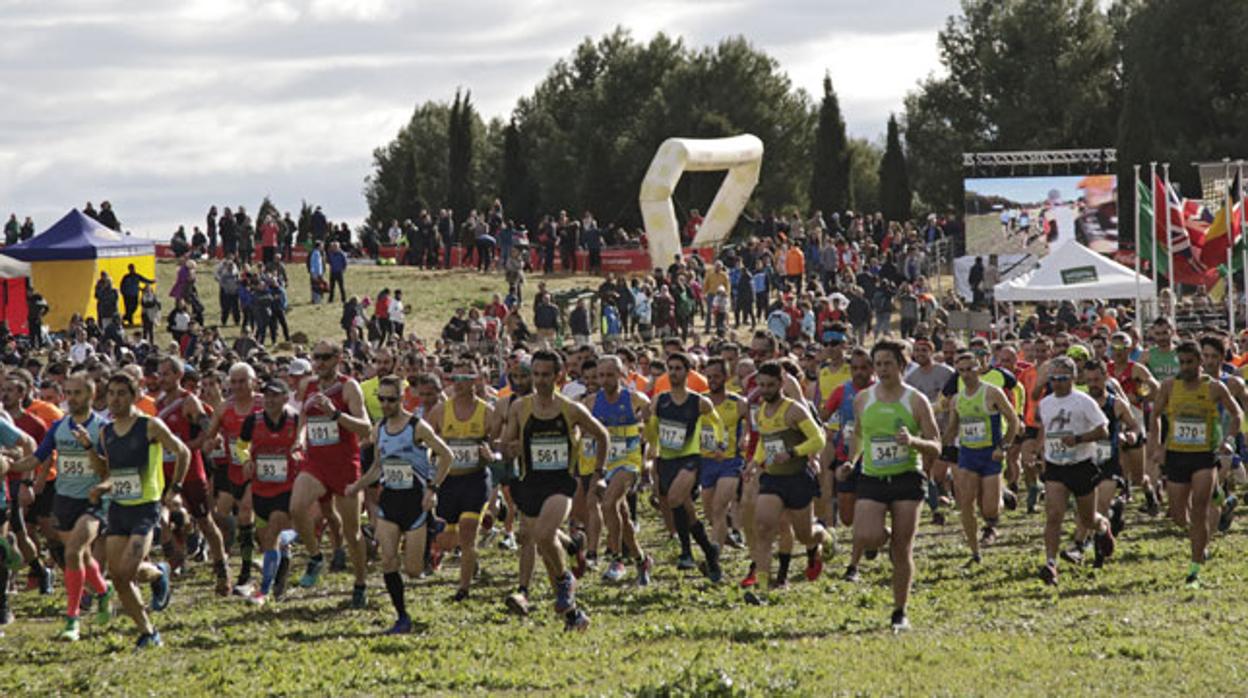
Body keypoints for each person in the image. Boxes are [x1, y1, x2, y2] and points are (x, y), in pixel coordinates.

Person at [499, 350, 608, 630]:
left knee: (543, 535)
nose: (539, 380)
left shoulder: (570, 408)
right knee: (548, 552)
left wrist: (599, 474)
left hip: (561, 482)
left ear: (558, 376)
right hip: (530, 482)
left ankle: (565, 581)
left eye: (546, 375)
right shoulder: (520, 407)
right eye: (535, 374)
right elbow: (507, 443)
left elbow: (602, 435)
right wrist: (508, 449)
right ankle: (574, 616)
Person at [87, 371, 189, 649]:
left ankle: (158, 572)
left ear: (133, 396)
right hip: (119, 508)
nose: (115, 399)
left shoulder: (149, 426)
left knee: (128, 570)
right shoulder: (106, 432)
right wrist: (89, 452)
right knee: (119, 577)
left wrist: (175, 488)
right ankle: (148, 631)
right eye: (111, 393)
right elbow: (106, 471)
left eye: (122, 393)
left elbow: (182, 452)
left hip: (146, 507)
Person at [346, 375, 453, 633]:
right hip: (390, 501)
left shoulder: (417, 427)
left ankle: (432, 535)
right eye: (381, 399)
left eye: (391, 399)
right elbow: (377, 468)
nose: (385, 404)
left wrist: (433, 487)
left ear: (402, 399)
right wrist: (356, 486)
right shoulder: (379, 429)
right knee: (388, 560)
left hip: (416, 504)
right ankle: (402, 616)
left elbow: (446, 456)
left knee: (414, 570)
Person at [9, 373, 111, 641]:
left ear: (90, 395)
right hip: (64, 500)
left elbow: (107, 469)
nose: (71, 398)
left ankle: (72, 619)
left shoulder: (103, 427)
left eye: (77, 393)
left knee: (74, 552)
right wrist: (10, 467)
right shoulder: (58, 427)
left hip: (92, 501)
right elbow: (37, 458)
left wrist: (89, 448)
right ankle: (103, 591)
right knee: (82, 557)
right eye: (68, 392)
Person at [849, 340, 941, 632]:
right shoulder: (863, 399)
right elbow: (859, 436)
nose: (882, 369)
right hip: (872, 477)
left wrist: (913, 442)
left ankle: (900, 611)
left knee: (902, 550)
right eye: (878, 364)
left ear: (902, 366)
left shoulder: (915, 400)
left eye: (888, 363)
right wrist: (851, 461)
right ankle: (882, 535)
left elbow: (936, 446)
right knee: (866, 535)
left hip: (906, 478)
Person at [1149, 340, 1241, 588]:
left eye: (1190, 362)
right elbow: (1155, 415)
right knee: (1179, 515)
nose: (1186, 367)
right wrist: (1157, 446)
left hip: (1204, 456)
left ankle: (1194, 568)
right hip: (1177, 455)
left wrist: (1229, 440)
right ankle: (1217, 497)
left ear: (1201, 362)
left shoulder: (1215, 388)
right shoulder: (1169, 387)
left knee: (1199, 510)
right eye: (1182, 362)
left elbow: (1237, 414)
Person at [292, 341, 373, 606]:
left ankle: (360, 583)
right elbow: (305, 420)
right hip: (315, 462)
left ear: (338, 358)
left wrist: (336, 414)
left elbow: (365, 430)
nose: (319, 362)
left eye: (325, 357)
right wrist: (300, 440)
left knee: (353, 533)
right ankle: (315, 557)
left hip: (345, 466)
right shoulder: (308, 386)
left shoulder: (349, 386)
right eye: (316, 357)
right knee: (297, 507)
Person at [743, 361, 829, 605]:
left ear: (782, 384)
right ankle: (762, 588)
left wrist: (792, 453)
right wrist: (754, 463)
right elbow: (764, 442)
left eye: (770, 385)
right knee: (763, 528)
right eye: (761, 385)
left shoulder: (794, 410)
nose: (765, 390)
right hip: (773, 479)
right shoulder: (762, 410)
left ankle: (823, 537)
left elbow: (818, 440)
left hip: (798, 479)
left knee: (805, 535)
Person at [425, 354, 500, 601]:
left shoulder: (487, 412)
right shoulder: (440, 411)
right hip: (447, 481)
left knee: (467, 534)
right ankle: (470, 557)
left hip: (475, 480)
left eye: (464, 377)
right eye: (454, 376)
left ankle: (463, 589)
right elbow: (422, 438)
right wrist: (429, 459)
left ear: (475, 380)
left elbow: (498, 444)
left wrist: (492, 453)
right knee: (447, 540)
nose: (458, 382)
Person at [1035, 356, 1115, 586]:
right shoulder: (1046, 403)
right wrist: (1039, 452)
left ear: (1072, 378)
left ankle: (1103, 527)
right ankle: (1051, 564)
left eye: (1062, 378)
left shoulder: (1083, 401)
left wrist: (1079, 439)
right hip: (1055, 466)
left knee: (1088, 519)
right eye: (1053, 378)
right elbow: (1046, 430)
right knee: (1053, 515)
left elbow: (1104, 431)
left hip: (1082, 464)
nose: (1057, 383)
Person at [646, 351, 724, 579]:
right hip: (667, 460)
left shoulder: (699, 401)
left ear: (688, 372)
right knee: (687, 511)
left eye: (678, 368)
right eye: (670, 368)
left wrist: (718, 444)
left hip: (690, 459)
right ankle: (710, 552)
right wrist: (650, 441)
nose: (674, 373)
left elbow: (716, 423)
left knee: (674, 499)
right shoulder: (660, 400)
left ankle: (686, 553)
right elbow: (653, 431)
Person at [945, 350, 1019, 564]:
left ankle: (1001, 494)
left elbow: (1013, 421)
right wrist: (938, 445)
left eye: (970, 369)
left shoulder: (992, 392)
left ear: (979, 368)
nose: (966, 374)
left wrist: (1003, 447)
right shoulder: (957, 400)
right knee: (965, 502)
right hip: (968, 455)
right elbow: (952, 428)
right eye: (961, 371)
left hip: (991, 454)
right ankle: (974, 551)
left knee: (989, 510)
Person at [234, 380, 301, 606]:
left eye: (275, 396)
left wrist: (300, 454)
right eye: (267, 396)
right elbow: (241, 445)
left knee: (272, 534)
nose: (270, 400)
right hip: (261, 487)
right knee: (268, 543)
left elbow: (306, 444)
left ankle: (263, 590)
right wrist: (245, 460)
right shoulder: (254, 420)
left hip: (286, 487)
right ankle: (280, 581)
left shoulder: (295, 420)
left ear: (285, 398)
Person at [588, 355, 652, 585]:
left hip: (628, 460)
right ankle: (641, 559)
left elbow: (651, 422)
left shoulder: (635, 399)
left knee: (608, 505)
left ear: (621, 375)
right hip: (605, 461)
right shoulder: (591, 402)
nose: (605, 380)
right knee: (622, 518)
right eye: (601, 375)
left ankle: (616, 559)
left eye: (610, 375)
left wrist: (647, 453)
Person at [203, 362, 261, 595]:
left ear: (253, 382)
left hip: (259, 472)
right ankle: (232, 555)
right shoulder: (224, 409)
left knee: (246, 513)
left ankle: (246, 569)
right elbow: (209, 439)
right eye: (233, 382)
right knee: (219, 515)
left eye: (242, 381)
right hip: (233, 471)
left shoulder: (263, 404)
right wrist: (211, 443)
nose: (237, 386)